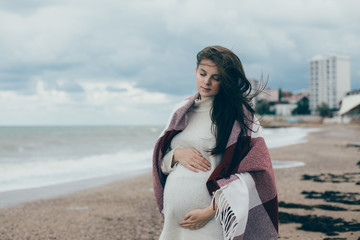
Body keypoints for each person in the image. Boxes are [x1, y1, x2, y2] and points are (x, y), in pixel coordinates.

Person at [152, 46, 278, 240]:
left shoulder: (241, 117)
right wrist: (176, 155)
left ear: (226, 81)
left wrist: (211, 210)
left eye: (216, 78)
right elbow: (159, 161)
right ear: (196, 71)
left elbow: (255, 173)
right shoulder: (180, 112)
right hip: (174, 224)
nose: (206, 82)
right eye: (203, 74)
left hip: (213, 221)